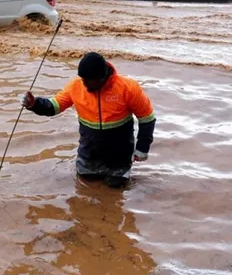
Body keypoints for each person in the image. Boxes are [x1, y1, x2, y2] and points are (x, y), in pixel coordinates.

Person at [20, 52, 156, 188]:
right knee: (85, 186)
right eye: (82, 78)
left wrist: (142, 148)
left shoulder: (128, 88)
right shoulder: (76, 86)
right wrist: (34, 104)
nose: (83, 83)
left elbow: (147, 118)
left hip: (119, 158)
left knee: (115, 188)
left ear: (101, 78)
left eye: (87, 80)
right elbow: (54, 106)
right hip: (88, 155)